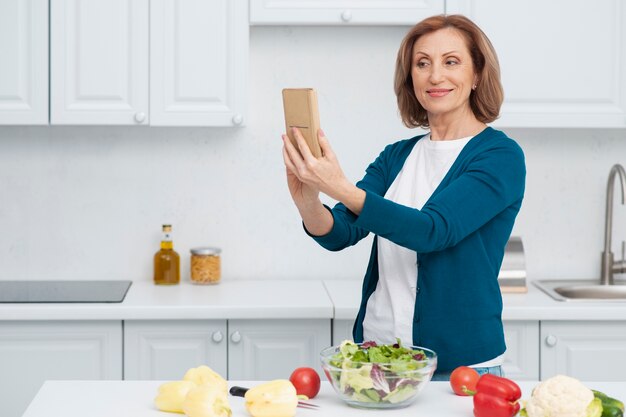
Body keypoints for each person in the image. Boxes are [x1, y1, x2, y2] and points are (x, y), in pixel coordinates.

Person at [281, 14, 525, 380]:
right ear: (411, 78)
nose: (435, 75)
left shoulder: (499, 156)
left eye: (451, 62)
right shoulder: (397, 155)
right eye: (422, 63)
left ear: (477, 75)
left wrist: (339, 186)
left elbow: (433, 231)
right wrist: (309, 200)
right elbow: (341, 232)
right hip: (376, 359)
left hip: (460, 369)